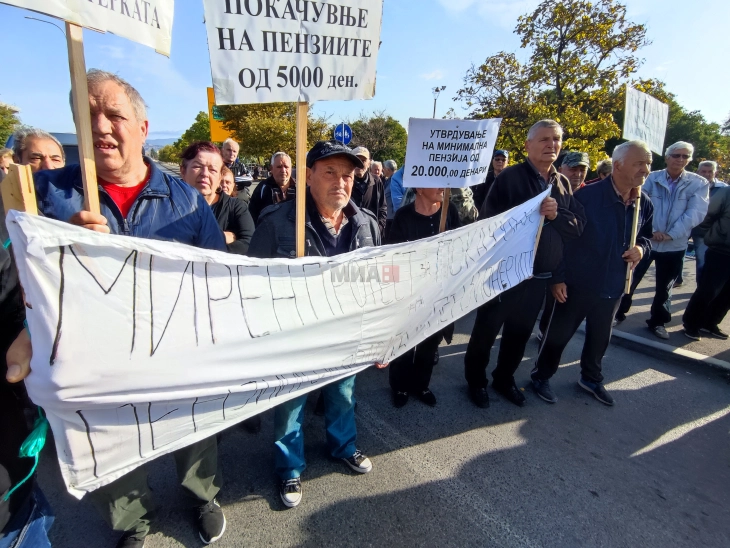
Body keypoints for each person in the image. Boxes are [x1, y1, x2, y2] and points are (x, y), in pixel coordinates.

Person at [5, 69, 228, 548]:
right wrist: (60, 249)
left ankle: (201, 494)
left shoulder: (187, 202)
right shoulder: (46, 196)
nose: (101, 126)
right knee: (108, 439)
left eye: (114, 114)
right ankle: (132, 519)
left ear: (142, 129)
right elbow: (15, 270)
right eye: (88, 117)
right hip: (93, 357)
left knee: (192, 425)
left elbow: (218, 278)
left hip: (174, 349)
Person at [248, 140, 384, 509]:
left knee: (342, 396)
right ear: (308, 176)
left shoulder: (366, 224)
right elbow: (251, 287)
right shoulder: (277, 224)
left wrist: (379, 336)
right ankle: (289, 467)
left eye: (347, 175)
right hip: (294, 339)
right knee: (290, 406)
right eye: (329, 173)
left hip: (344, 337)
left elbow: (376, 286)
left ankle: (344, 446)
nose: (341, 182)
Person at [463, 120, 586, 408]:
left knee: (519, 335)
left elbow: (577, 228)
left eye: (556, 139)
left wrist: (556, 216)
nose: (551, 145)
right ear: (528, 145)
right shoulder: (510, 178)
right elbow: (488, 224)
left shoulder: (562, 182)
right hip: (504, 274)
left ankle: (504, 379)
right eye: (543, 139)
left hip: (538, 277)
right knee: (486, 331)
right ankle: (476, 381)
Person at [531, 141, 654, 406]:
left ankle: (591, 378)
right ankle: (541, 376)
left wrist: (641, 250)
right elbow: (563, 238)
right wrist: (557, 277)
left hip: (613, 284)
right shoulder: (587, 197)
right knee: (558, 336)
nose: (645, 170)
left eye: (648, 164)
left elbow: (646, 237)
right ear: (618, 165)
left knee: (600, 337)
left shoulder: (644, 203)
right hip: (576, 283)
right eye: (639, 163)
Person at [0, 133, 66, 548]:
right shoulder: (8, 219)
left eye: (55, 159)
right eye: (34, 159)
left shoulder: (77, 213)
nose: (45, 168)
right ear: (15, 166)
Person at [615, 141, 709, 340]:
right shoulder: (651, 177)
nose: (680, 159)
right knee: (630, 278)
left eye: (685, 156)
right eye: (676, 155)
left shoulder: (698, 183)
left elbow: (695, 213)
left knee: (665, 287)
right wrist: (653, 231)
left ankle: (658, 322)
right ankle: (618, 313)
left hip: (675, 244)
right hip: (647, 241)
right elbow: (639, 204)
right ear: (667, 157)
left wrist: (671, 234)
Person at [386, 187, 460, 407]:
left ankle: (421, 385)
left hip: (439, 293)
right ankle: (400, 387)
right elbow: (393, 256)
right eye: (436, 182)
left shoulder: (450, 211)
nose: (442, 188)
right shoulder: (403, 216)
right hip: (410, 293)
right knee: (405, 344)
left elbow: (461, 247)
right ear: (419, 187)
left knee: (430, 344)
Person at [180, 141, 254, 255]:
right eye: (197, 166)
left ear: (219, 177)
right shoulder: (167, 206)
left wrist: (209, 254)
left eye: (212, 169)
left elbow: (250, 243)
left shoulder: (236, 207)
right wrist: (222, 236)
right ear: (183, 171)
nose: (205, 174)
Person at [682, 184, 730, 341]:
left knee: (727, 294)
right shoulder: (726, 192)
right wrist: (710, 236)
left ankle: (710, 323)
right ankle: (692, 324)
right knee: (708, 290)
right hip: (720, 249)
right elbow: (707, 216)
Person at [690, 161, 727, 280]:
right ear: (698, 171)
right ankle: (677, 279)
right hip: (687, 225)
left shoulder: (723, 189)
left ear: (715, 172)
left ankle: (700, 289)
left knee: (702, 261)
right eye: (703, 171)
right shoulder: (690, 185)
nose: (707, 174)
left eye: (710, 171)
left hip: (706, 230)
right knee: (676, 255)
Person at [248, 151, 295, 225]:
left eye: (286, 167)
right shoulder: (263, 188)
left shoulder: (299, 188)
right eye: (279, 167)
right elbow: (252, 215)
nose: (283, 170)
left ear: (291, 168)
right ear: (271, 168)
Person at [350, 146, 387, 234]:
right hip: (349, 235)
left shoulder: (376, 181)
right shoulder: (345, 181)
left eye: (363, 161)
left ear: (369, 163)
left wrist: (378, 228)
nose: (360, 164)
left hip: (372, 233)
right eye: (356, 160)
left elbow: (383, 208)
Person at [382, 160, 398, 238]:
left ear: (388, 169)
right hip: (389, 216)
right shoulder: (389, 180)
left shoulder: (395, 181)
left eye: (383, 168)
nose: (382, 170)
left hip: (392, 217)